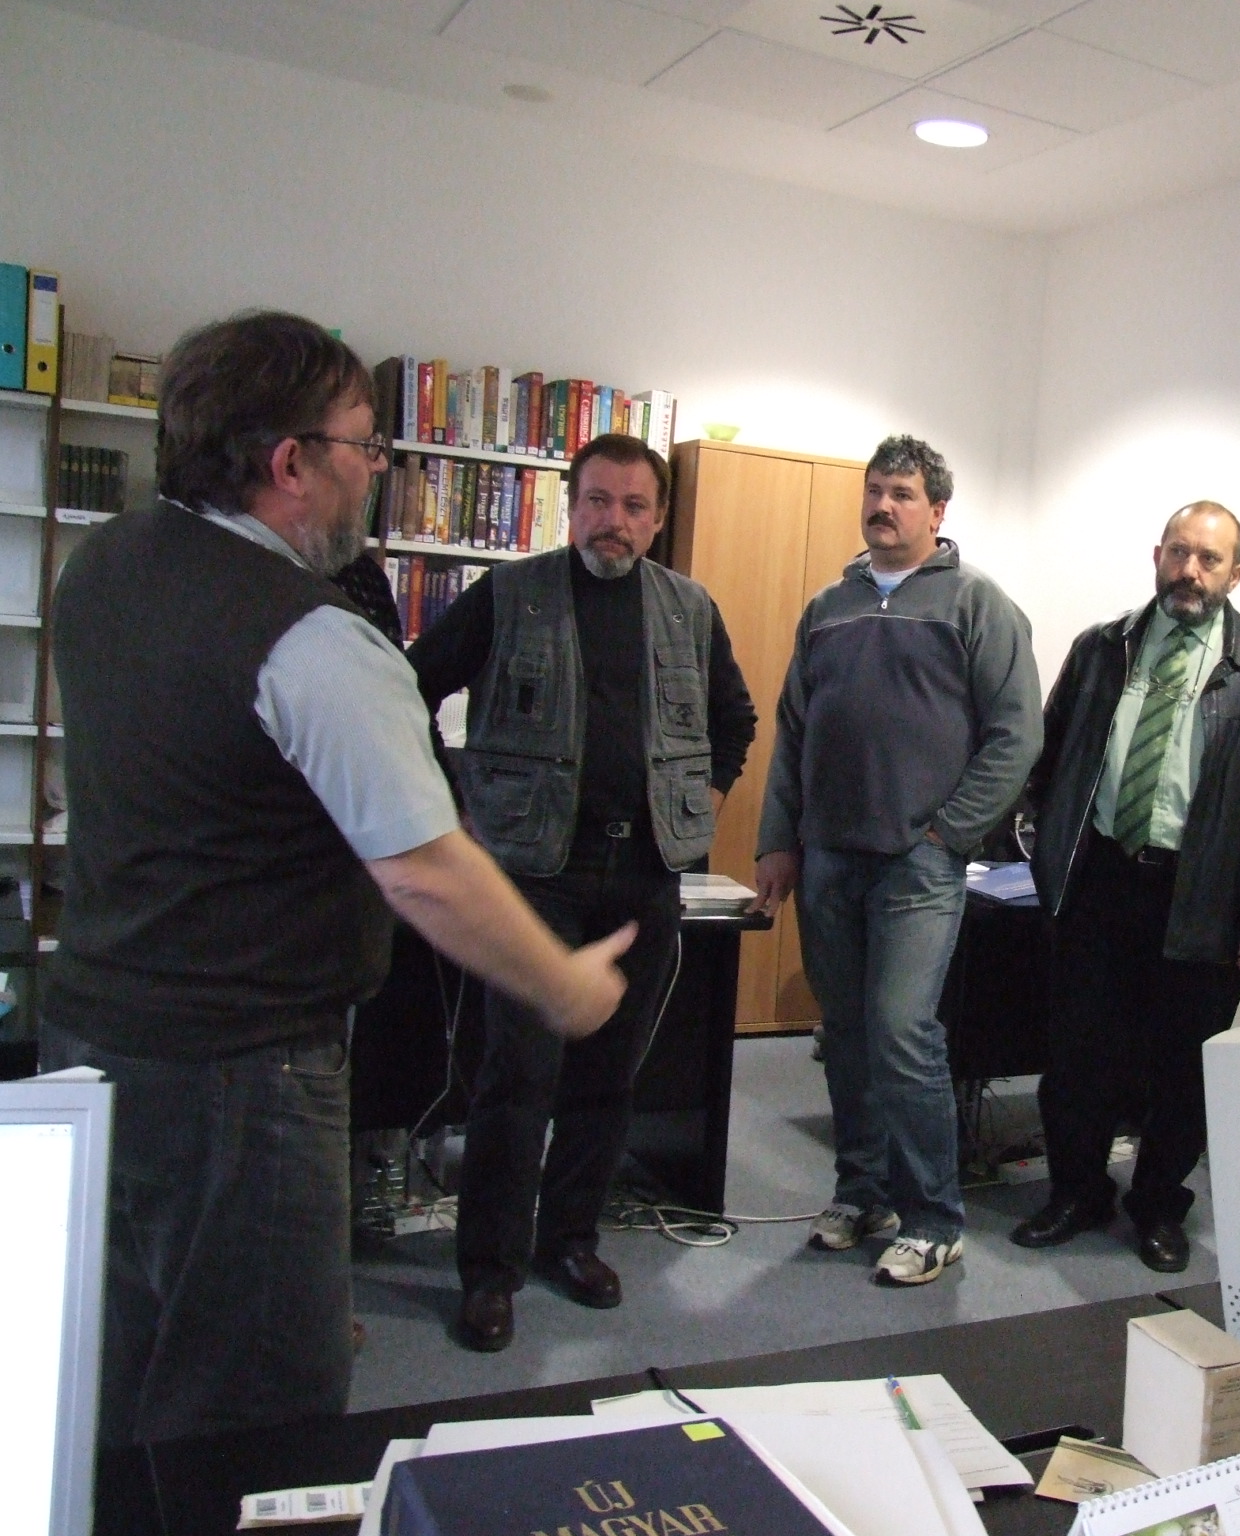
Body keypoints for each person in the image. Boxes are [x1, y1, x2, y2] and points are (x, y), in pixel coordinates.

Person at [37, 311, 633, 1446]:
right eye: (363, 444)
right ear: (289, 463)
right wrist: (565, 987)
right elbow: (428, 875)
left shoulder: (102, 565)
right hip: (240, 1071)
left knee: (120, 1363)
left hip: (92, 1034)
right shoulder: (312, 640)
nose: (375, 470)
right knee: (258, 1405)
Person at [410, 431, 756, 1350]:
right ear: (572, 506)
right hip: (535, 878)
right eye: (598, 501)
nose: (614, 521)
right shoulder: (509, 594)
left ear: (659, 517)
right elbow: (411, 688)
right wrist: (453, 805)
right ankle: (489, 1271)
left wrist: (701, 804)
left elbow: (736, 719)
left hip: (643, 877)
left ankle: (569, 1240)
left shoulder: (689, 608)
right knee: (516, 1079)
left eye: (635, 506)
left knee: (609, 1078)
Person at [751, 435, 1041, 1286]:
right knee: (844, 1036)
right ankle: (862, 1193)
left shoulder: (977, 604)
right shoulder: (828, 608)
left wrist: (950, 833)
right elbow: (793, 732)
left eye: (903, 493)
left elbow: (1017, 735)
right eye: (875, 490)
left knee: (902, 1033)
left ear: (937, 510)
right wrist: (777, 839)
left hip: (918, 867)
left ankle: (933, 1219)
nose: (883, 506)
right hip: (829, 859)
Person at [1014, 502, 1240, 1272]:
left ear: (1236, 575)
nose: (1190, 571)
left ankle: (1156, 1206)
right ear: (1157, 556)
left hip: (1203, 891)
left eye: (1209, 559)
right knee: (1079, 1056)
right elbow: (1049, 763)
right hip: (1102, 881)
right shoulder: (1102, 647)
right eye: (1179, 552)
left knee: (1182, 1068)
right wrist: (1046, 859)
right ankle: (1077, 1191)